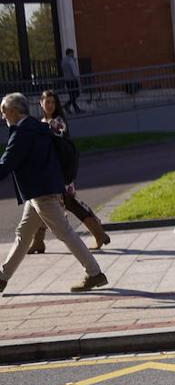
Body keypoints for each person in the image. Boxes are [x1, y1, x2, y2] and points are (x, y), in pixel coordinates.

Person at [0, 93, 107, 295]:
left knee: (64, 232)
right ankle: (2, 277)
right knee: (24, 234)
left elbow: (5, 165)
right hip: (43, 189)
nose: (3, 117)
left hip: (42, 192)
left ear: (14, 111)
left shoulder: (22, 132)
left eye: (3, 112)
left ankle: (95, 273)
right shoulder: (35, 126)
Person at [28, 90, 109, 254]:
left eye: (53, 102)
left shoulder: (57, 122)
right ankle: (38, 242)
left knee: (66, 203)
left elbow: (54, 133)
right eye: (47, 102)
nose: (50, 105)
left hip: (59, 173)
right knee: (44, 205)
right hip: (48, 173)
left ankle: (99, 234)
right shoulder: (42, 122)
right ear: (41, 103)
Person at [60, 48, 82, 113]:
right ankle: (71, 106)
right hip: (73, 79)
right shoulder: (71, 60)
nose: (73, 54)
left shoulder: (63, 61)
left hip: (67, 80)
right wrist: (78, 78)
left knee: (71, 94)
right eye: (72, 53)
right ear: (70, 53)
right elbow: (74, 70)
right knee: (77, 93)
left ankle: (70, 106)